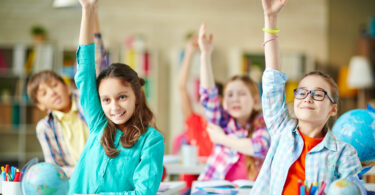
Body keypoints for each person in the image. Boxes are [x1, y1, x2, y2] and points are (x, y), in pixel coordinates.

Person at [252, 0, 366, 194]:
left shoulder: (344, 153)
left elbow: (353, 190)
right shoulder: (282, 130)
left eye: (319, 94)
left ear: (333, 108)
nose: (308, 98)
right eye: (302, 92)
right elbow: (272, 81)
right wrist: (270, 19)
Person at [69, 0, 164, 194]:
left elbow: (143, 192)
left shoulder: (151, 140)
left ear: (136, 96)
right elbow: (85, 71)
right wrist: (87, 10)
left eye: (122, 97)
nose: (114, 107)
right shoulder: (98, 124)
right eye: (106, 100)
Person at [197, 23, 270, 181]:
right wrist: (205, 54)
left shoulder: (261, 122)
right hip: (211, 189)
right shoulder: (222, 121)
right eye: (229, 95)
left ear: (255, 100)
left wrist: (222, 139)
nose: (235, 99)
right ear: (223, 102)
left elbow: (260, 147)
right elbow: (208, 94)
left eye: (242, 94)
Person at [27, 70, 89, 177]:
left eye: (55, 85)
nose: (52, 93)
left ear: (66, 86)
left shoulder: (85, 98)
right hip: (79, 178)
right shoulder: (45, 128)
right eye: (44, 93)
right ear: (39, 105)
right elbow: (54, 168)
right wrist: (82, 171)